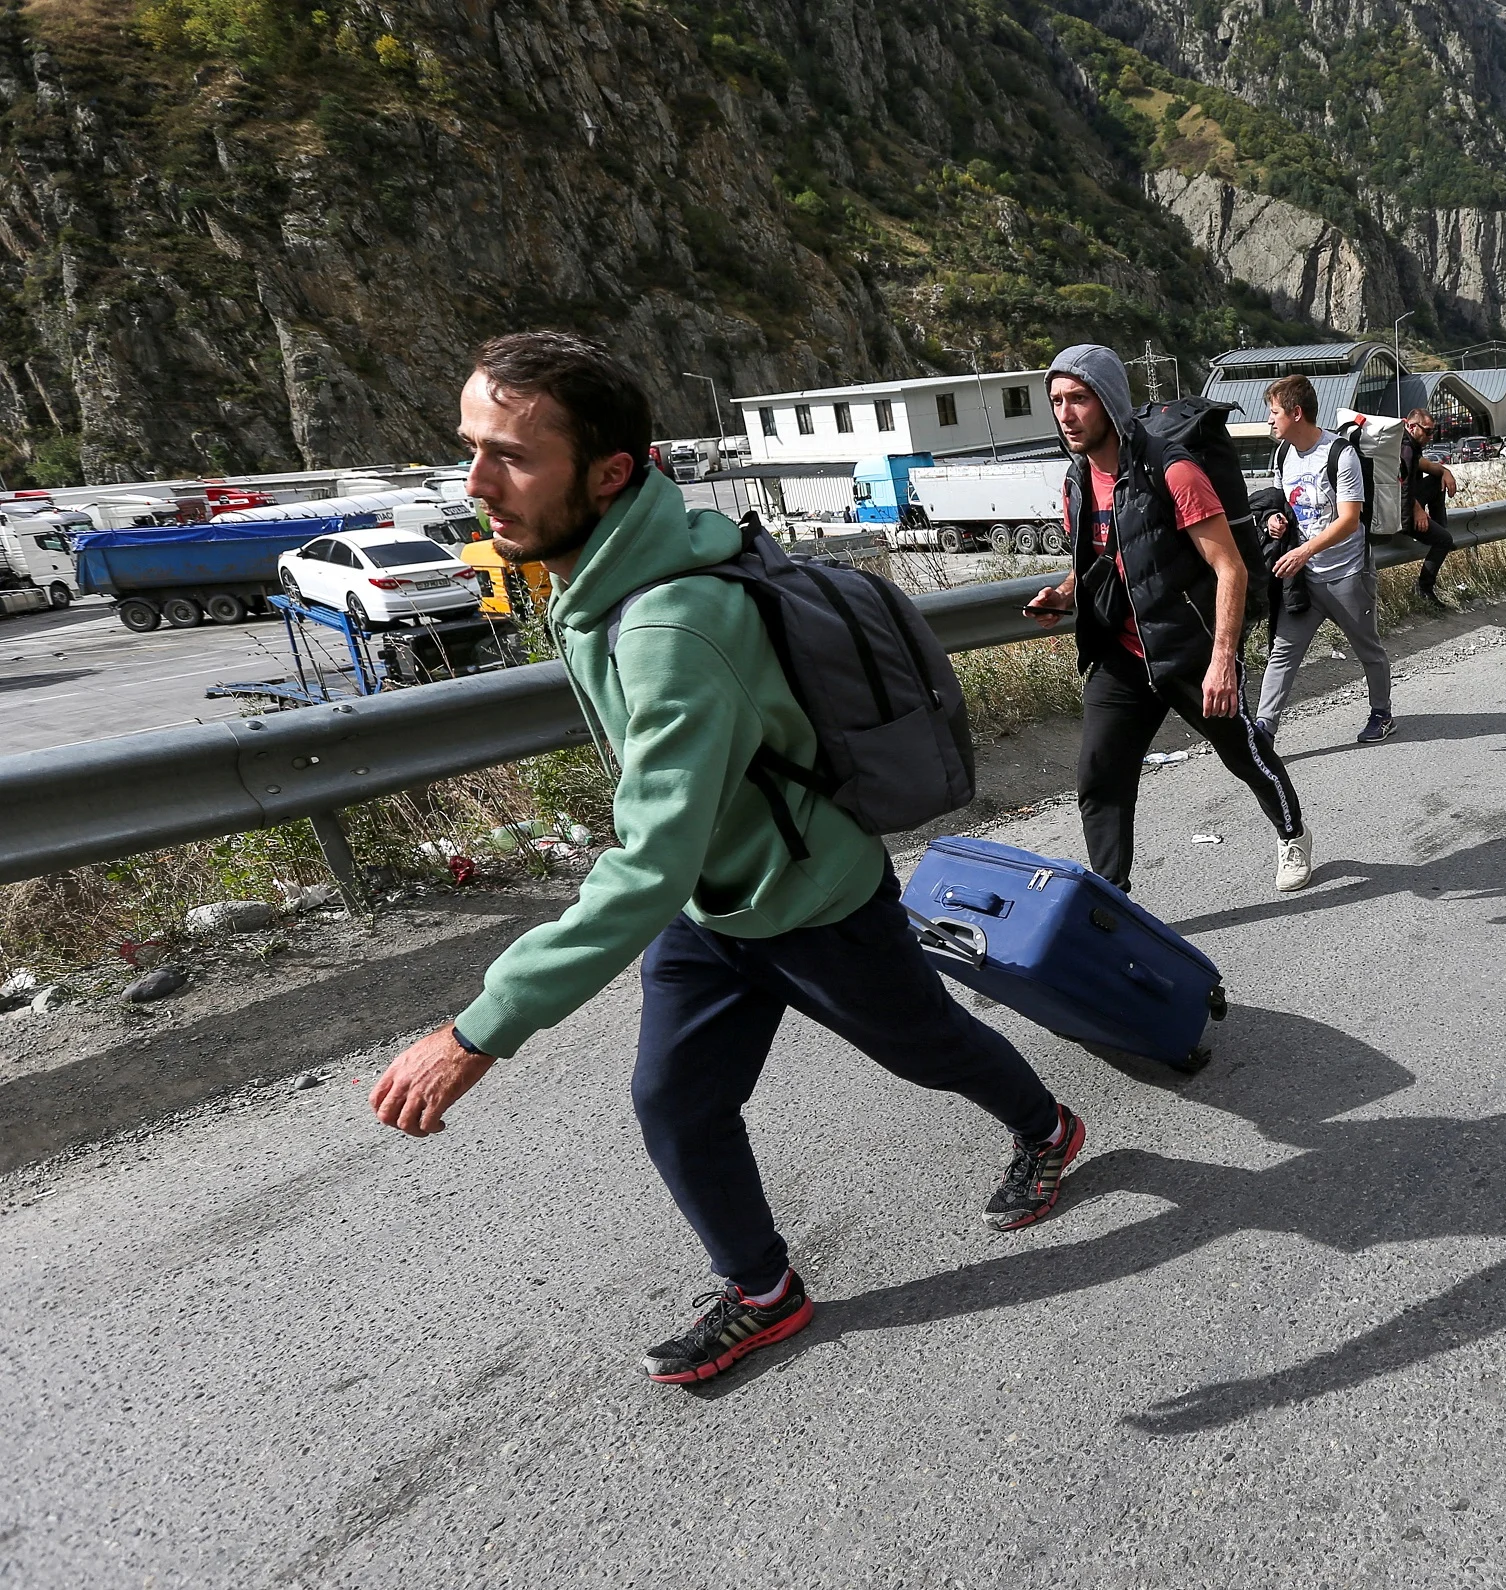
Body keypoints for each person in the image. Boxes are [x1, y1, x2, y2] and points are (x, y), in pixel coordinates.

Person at [368, 333, 1088, 1387]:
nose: (476, 484)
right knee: (677, 1100)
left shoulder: (669, 625)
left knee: (924, 1045)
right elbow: (671, 844)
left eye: (511, 457)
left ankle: (1049, 1126)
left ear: (612, 474)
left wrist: (480, 1030)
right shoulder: (611, 568)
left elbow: (648, 860)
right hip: (712, 902)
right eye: (471, 447)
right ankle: (764, 1291)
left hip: (811, 895)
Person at [1023, 344, 1309, 893]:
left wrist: (1222, 660)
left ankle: (1291, 830)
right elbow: (1102, 562)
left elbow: (1230, 568)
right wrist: (1063, 593)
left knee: (1242, 754)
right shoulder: (1077, 482)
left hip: (1188, 651)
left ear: (1108, 400)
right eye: (1057, 400)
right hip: (1121, 656)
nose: (1065, 413)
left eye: (1079, 398)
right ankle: (1112, 899)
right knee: (1099, 778)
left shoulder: (1172, 470)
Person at [1253, 374, 1396, 745]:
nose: (1269, 420)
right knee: (1283, 651)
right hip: (1303, 579)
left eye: (1274, 412)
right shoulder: (1284, 454)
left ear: (1296, 413)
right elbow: (1287, 501)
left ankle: (1381, 713)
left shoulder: (1340, 455)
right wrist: (1275, 520)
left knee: (1367, 648)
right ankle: (1264, 729)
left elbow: (1349, 519)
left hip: (1346, 574)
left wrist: (1304, 550)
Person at [1400, 407, 1458, 612]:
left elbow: (1428, 467)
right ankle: (1424, 589)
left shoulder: (1410, 445)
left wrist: (1445, 471)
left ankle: (1440, 527)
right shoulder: (1405, 449)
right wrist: (1417, 510)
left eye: (1433, 432)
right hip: (1402, 511)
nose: (1430, 437)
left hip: (1408, 502)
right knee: (1444, 540)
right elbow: (1398, 485)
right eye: (1427, 431)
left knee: (1436, 480)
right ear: (1411, 426)